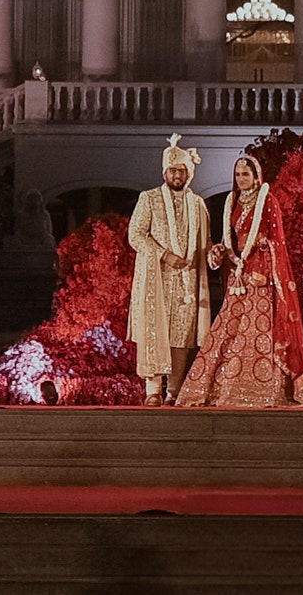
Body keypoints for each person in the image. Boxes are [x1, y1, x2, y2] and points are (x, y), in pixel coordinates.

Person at [176, 155, 303, 408]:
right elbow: (231, 241)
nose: (241, 179)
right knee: (226, 330)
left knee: (255, 333)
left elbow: (277, 243)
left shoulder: (267, 201)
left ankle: (258, 391)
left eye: (246, 175)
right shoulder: (233, 201)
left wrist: (261, 253)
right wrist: (221, 251)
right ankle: (220, 389)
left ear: (256, 176)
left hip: (260, 277)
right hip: (237, 275)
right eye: (238, 175)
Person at [127, 134, 212, 404]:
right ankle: (153, 392)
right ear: (165, 172)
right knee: (154, 333)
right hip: (156, 280)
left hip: (187, 283)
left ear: (189, 174)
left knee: (181, 338)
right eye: (173, 170)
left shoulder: (197, 204)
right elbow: (136, 235)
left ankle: (173, 392)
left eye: (182, 170)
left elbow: (205, 242)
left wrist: (215, 253)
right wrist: (164, 255)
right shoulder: (149, 199)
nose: (177, 175)